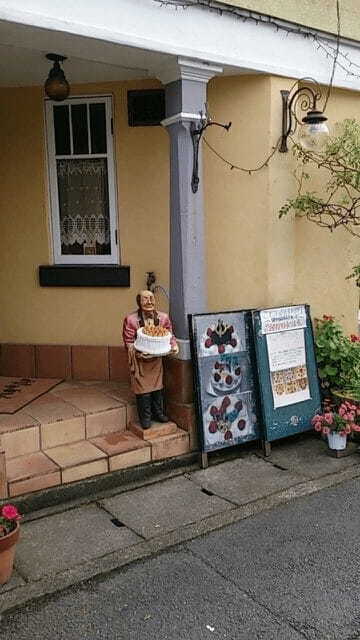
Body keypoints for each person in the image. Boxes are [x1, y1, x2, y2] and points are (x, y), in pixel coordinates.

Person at [123, 290, 178, 429]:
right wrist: (136, 352)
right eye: (145, 299)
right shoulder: (131, 320)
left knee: (157, 388)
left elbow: (169, 334)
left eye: (151, 298)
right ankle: (145, 417)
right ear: (139, 302)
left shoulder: (163, 318)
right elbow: (128, 341)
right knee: (143, 391)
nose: (149, 301)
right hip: (140, 361)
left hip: (156, 360)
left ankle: (158, 413)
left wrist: (174, 345)